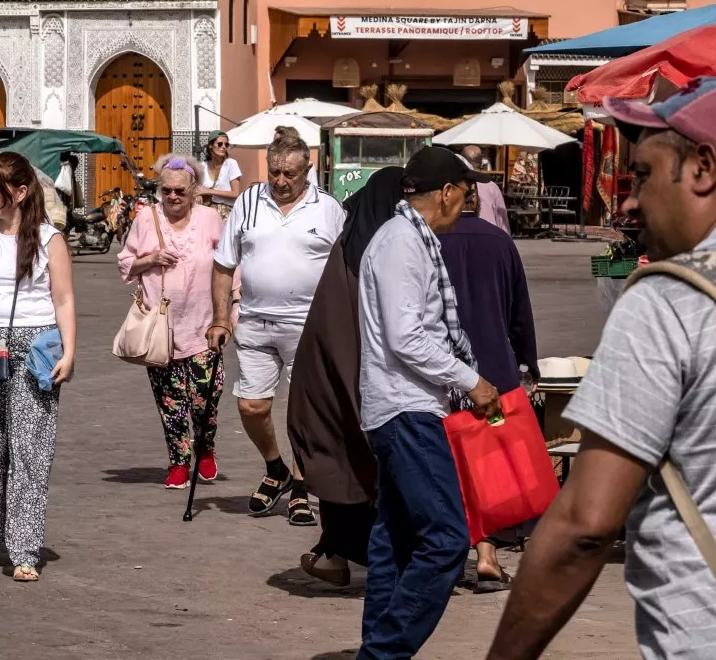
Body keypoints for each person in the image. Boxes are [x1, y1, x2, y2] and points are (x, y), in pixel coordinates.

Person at [487, 81, 716, 660]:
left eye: (641, 176)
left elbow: (585, 525)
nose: (629, 203)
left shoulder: (670, 301)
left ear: (703, 168)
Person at [355, 146, 499, 658]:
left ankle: (379, 645)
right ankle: (384, 653)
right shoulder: (401, 243)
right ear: (445, 192)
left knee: (396, 540)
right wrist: (472, 380)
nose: (467, 202)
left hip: (410, 405)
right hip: (406, 407)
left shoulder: (413, 241)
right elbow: (407, 337)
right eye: (465, 192)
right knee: (445, 538)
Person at [209, 125, 346, 527]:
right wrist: (219, 317)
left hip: (309, 325)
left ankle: (302, 486)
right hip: (254, 319)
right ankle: (277, 469)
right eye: (275, 173)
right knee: (251, 406)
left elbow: (346, 268)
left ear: (309, 170)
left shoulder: (328, 208)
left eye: (291, 174)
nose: (282, 182)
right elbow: (223, 264)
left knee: (305, 411)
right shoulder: (249, 201)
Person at [287, 166, 406, 588]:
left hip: (329, 382)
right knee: (370, 471)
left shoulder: (349, 244)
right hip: (364, 385)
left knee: (343, 465)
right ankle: (377, 560)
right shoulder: (387, 251)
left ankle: (334, 554)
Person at [0, 151, 77, 582]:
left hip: (36, 346)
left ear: (21, 192)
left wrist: (69, 352)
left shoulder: (50, 240)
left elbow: (63, 298)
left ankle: (24, 547)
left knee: (31, 450)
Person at [439, 179, 539, 593]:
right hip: (495, 368)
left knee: (450, 463)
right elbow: (520, 312)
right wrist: (528, 364)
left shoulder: (430, 242)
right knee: (489, 463)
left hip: (441, 368)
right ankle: (487, 554)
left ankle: (452, 553)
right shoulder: (500, 241)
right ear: (476, 198)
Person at [116, 156, 224, 488]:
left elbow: (228, 266)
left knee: (206, 393)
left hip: (203, 325)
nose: (173, 197)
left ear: (194, 191)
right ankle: (178, 461)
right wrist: (151, 259)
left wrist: (228, 314)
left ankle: (205, 448)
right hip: (160, 329)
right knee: (170, 400)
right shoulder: (147, 219)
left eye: (179, 191)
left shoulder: (209, 219)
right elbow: (125, 262)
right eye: (166, 191)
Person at [196, 132, 243, 212]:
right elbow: (197, 188)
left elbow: (235, 193)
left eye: (226, 144)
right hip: (207, 210)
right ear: (210, 146)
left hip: (227, 211)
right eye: (220, 144)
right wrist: (198, 195)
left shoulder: (230, 164)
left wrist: (208, 191)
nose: (224, 147)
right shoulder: (202, 166)